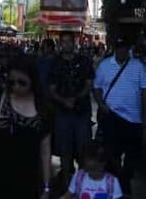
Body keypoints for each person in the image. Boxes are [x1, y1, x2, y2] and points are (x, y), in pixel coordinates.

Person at [0, 54, 52, 198]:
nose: (16, 87)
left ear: (33, 81)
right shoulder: (0, 96)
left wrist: (47, 186)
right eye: (11, 82)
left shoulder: (43, 107)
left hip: (27, 181)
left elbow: (45, 151)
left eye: (22, 82)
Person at [92, 37, 146, 198]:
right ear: (114, 49)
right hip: (112, 116)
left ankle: (124, 180)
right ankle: (117, 187)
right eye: (118, 48)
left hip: (134, 119)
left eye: (124, 48)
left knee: (132, 156)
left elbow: (145, 93)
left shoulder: (138, 67)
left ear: (128, 49)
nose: (121, 51)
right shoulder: (105, 66)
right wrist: (102, 105)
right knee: (112, 154)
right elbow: (96, 88)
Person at [50, 33, 95, 189]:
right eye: (64, 41)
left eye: (69, 41)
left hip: (81, 112)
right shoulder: (55, 63)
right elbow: (52, 89)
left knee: (83, 150)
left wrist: (75, 98)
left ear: (74, 43)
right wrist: (64, 101)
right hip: (62, 113)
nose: (67, 44)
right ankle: (66, 186)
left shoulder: (85, 62)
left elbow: (89, 84)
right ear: (60, 43)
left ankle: (83, 186)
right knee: (65, 150)